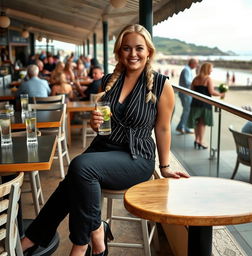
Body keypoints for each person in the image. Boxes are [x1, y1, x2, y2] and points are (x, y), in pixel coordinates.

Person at [21, 24, 189, 256]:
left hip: (136, 156)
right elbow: (104, 125)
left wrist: (165, 167)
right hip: (104, 148)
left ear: (148, 51)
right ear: (119, 52)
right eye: (126, 48)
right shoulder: (109, 80)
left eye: (139, 48)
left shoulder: (162, 84)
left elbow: (162, 128)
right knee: (73, 180)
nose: (133, 54)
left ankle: (82, 244)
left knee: (80, 166)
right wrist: (94, 123)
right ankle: (88, 231)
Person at [187, 62, 225, 149]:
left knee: (197, 122)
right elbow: (211, 92)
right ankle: (200, 141)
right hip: (205, 104)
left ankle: (196, 139)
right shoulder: (208, 79)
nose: (212, 70)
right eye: (211, 68)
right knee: (202, 123)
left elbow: (192, 90)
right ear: (207, 69)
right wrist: (221, 94)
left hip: (195, 103)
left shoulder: (195, 78)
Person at [176, 58, 198, 134]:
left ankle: (185, 127)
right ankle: (181, 126)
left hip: (186, 93)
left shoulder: (187, 70)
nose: (196, 65)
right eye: (196, 63)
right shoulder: (186, 70)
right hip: (185, 93)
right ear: (192, 63)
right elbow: (187, 82)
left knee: (187, 110)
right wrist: (196, 83)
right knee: (187, 110)